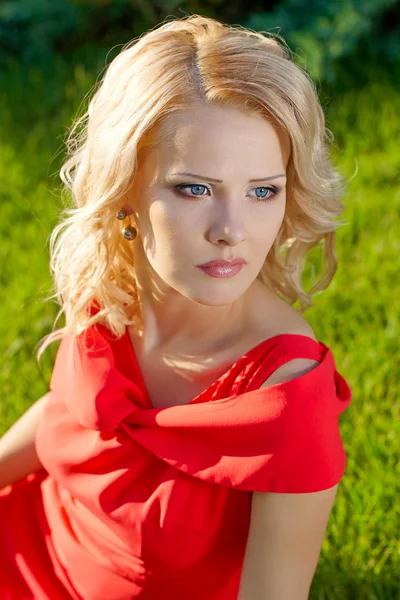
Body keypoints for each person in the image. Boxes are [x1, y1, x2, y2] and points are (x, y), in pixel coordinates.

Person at [0, 13, 352, 600]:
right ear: (125, 190)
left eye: (263, 190)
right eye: (195, 188)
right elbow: (67, 412)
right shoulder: (112, 286)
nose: (232, 231)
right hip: (24, 542)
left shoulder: (285, 402)